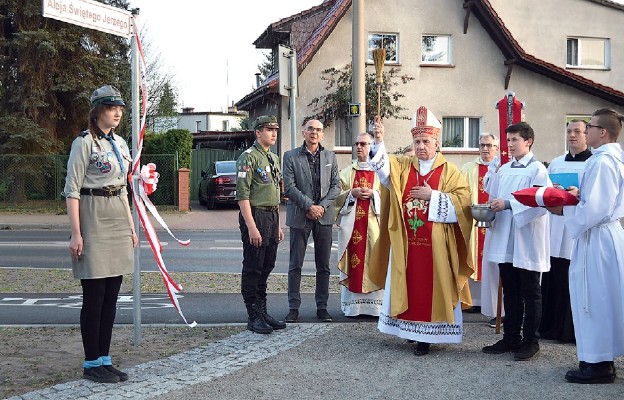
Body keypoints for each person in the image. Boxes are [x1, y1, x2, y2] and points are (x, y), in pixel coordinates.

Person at [368, 107, 474, 356]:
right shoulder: (405, 167)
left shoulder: (450, 171)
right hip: (407, 242)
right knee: (409, 284)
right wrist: (379, 140)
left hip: (437, 245)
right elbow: (384, 173)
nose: (421, 146)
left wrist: (433, 196)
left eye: (426, 141)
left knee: (430, 287)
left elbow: (463, 204)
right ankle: (409, 332)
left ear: (437, 143)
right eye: (417, 141)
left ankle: (426, 337)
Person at [62, 85, 138, 383]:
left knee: (111, 296)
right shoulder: (84, 143)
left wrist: (131, 227)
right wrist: (75, 233)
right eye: (110, 107)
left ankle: (104, 358)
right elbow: (71, 190)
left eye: (119, 107)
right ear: (97, 111)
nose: (117, 112)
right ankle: (91, 362)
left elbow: (125, 187)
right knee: (94, 296)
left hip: (118, 215)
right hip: (92, 217)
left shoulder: (119, 143)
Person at [547, 108, 624, 384]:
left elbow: (595, 210)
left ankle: (598, 365)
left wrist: (563, 211)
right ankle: (598, 357)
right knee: (601, 297)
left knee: (593, 298)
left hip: (597, 236)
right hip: (603, 235)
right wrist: (578, 196)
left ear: (602, 132)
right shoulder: (610, 158)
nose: (585, 131)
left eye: (589, 126)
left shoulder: (602, 162)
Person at [482, 122, 551, 361]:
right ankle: (511, 336)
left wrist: (510, 204)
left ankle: (531, 340)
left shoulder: (538, 170)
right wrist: (489, 211)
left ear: (528, 141)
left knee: (530, 290)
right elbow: (493, 195)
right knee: (510, 288)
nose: (510, 145)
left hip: (527, 238)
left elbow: (542, 201)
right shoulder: (504, 169)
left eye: (515, 140)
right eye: (508, 140)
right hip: (505, 237)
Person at [283, 119, 341, 322]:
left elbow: (336, 186)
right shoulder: (290, 156)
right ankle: (293, 308)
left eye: (318, 130)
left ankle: (322, 308)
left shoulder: (330, 156)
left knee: (323, 265)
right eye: (310, 129)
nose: (314, 133)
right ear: (303, 132)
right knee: (295, 264)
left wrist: (321, 207)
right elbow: (289, 187)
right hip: (300, 215)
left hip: (324, 217)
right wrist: (309, 206)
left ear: (322, 134)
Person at [539, 120, 591, 344]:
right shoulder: (557, 163)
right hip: (555, 227)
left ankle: (570, 331)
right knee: (553, 278)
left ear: (587, 135)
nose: (572, 135)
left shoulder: (593, 163)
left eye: (577, 132)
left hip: (577, 229)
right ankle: (550, 327)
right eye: (569, 131)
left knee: (573, 280)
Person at [235, 115, 286, 334]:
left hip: (271, 216)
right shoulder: (248, 158)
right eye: (269, 129)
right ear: (258, 132)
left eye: (275, 129)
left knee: (267, 266)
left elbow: (275, 194)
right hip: (255, 215)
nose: (274, 133)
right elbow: (242, 196)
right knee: (254, 267)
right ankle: (253, 315)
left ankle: (262, 311)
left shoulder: (272, 158)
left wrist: (278, 225)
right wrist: (252, 226)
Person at [335, 131, 384, 317]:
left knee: (375, 262)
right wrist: (351, 194)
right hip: (351, 228)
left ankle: (376, 308)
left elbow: (390, 197)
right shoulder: (346, 173)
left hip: (374, 227)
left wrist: (375, 195)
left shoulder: (381, 173)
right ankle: (353, 308)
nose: (359, 147)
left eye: (363, 143)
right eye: (356, 144)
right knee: (354, 262)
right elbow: (336, 200)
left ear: (372, 146)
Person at [460, 133, 499, 315]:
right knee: (472, 257)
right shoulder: (468, 169)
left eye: (489, 145)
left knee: (491, 261)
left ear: (496, 148)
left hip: (496, 223)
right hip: (473, 222)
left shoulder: (501, 168)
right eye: (482, 145)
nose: (485, 149)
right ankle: (473, 301)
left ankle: (493, 305)